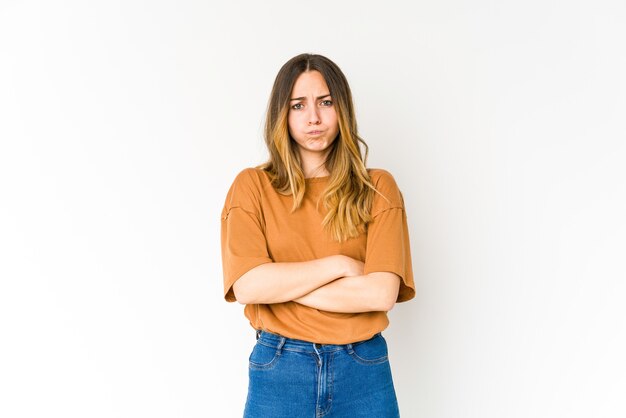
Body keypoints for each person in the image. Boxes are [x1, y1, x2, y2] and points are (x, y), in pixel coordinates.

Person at [220, 53, 415, 418]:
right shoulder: (252, 187)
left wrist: (281, 286)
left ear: (342, 109)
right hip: (280, 367)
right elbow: (247, 286)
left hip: (362, 369)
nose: (314, 117)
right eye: (298, 105)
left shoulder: (378, 188)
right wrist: (339, 265)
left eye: (325, 102)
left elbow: (380, 292)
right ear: (283, 114)